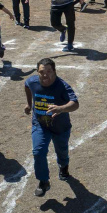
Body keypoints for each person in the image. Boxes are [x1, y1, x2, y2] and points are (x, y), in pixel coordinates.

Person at [24, 58, 80, 197]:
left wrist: (61, 108)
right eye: (42, 72)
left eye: (49, 71)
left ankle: (63, 166)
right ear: (38, 72)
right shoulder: (32, 82)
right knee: (38, 152)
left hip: (60, 127)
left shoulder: (62, 86)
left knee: (61, 151)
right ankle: (43, 181)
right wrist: (29, 104)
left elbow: (75, 104)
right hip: (40, 124)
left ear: (54, 71)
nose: (45, 75)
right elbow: (26, 85)